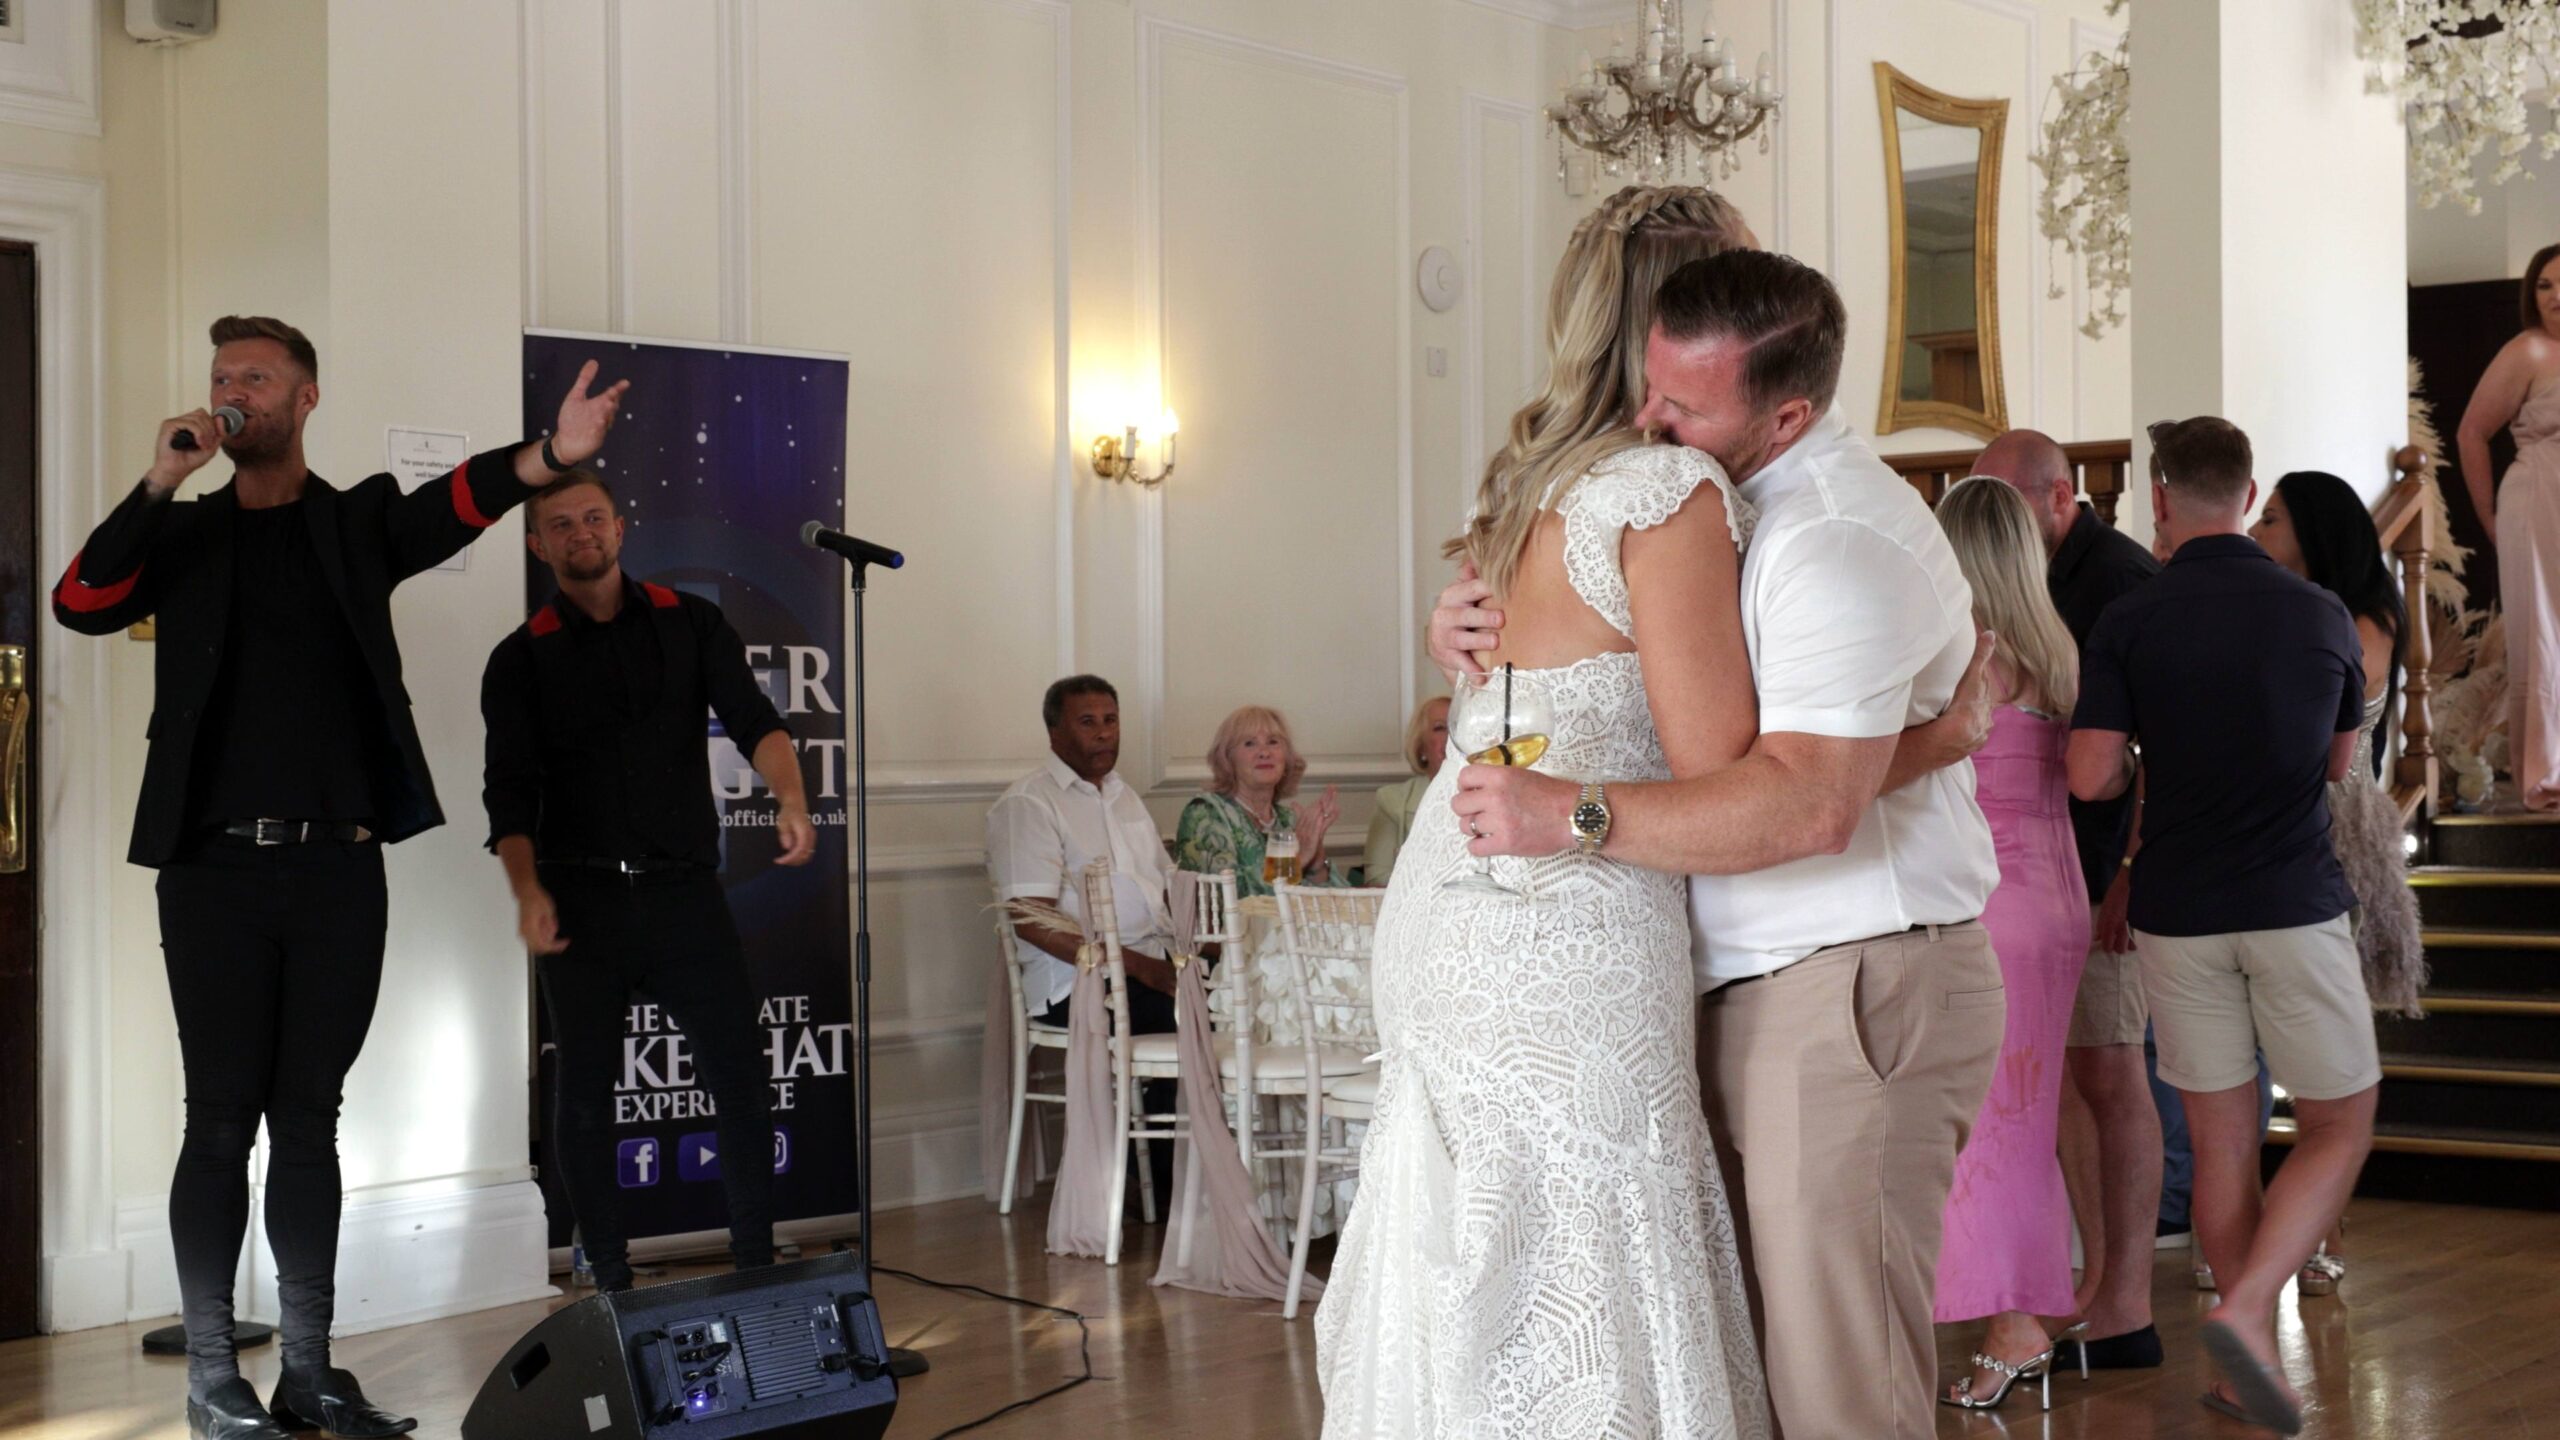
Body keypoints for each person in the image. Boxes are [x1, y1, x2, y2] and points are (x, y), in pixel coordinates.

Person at [1438, 249, 2005, 1440]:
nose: (1647, 420)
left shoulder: (1832, 543)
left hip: (1851, 984)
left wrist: (1572, 815)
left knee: (1839, 1395)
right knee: (1749, 1379)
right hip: (1748, 981)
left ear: (1785, 412)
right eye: (1650, 387)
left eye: (1682, 405)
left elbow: (1805, 805)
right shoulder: (1727, 507)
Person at [50, 315, 625, 1440]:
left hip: (336, 874)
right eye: (221, 378)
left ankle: (308, 1372)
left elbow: (462, 496)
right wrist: (161, 479)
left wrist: (551, 456)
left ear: (304, 399)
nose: (232, 394)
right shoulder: (185, 533)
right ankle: (214, 1378)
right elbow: (81, 601)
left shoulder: (355, 523)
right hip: (212, 874)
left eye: (255, 378)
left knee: (309, 1122)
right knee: (218, 1123)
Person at [1317, 182, 1772, 1437]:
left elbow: (1515, 687)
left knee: (1472, 1260)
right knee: (1586, 1243)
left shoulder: (1531, 480)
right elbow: (1727, 765)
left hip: (1446, 916)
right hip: (1567, 928)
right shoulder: (1664, 496)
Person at [2067, 416, 2378, 1435]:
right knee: (2338, 1118)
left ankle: (2243, 1363)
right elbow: (2336, 767)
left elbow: (2090, 773)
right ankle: (2245, 1313)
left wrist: (2148, 763)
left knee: (2221, 1141)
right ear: (2246, 497)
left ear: (2158, 500)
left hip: (2175, 912)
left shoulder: (2131, 619)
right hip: (2290, 901)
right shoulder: (2323, 614)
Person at [482, 471, 815, 1296]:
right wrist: (526, 891)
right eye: (560, 524)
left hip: (682, 895)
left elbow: (755, 720)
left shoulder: (691, 622)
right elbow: (508, 792)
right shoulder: (520, 658)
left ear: (620, 528)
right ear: (539, 545)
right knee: (585, 1096)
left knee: (739, 1078)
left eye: (593, 517)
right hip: (577, 901)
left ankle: (753, 1270)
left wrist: (792, 796)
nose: (580, 532)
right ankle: (612, 1283)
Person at [1970, 428, 2166, 1370]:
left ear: (2056, 499)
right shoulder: (2044, 631)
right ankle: (2074, 1291)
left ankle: (2115, 1299)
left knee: (2095, 1079)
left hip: (2076, 883)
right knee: (2051, 1096)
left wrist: (2132, 869)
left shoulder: (2120, 585)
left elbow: (2153, 751)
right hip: (2057, 887)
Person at [1925, 478, 2090, 1411]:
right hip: (2058, 899)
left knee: (1985, 1126)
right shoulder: (2054, 650)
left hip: (1992, 905)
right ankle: (2020, 1312)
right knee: (2025, 1121)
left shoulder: (1965, 658)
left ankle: (2014, 1322)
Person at [2252, 468, 2431, 1297]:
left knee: (2331, 1054)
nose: (2258, 529)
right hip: (2273, 826)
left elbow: (2324, 711)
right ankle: (2274, 1230)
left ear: (2315, 532)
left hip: (2336, 828)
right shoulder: (2287, 604)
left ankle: (2321, 1234)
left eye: (2275, 518)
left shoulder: (2365, 617)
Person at [984, 676, 1181, 1201]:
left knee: (1237, 1004)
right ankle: (1168, 1186)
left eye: (1110, 720)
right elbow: (1033, 921)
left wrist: (1198, 950)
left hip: (1150, 965)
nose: (1103, 734)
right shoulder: (1027, 804)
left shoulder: (1124, 797)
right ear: (1053, 731)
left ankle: (1208, 1178)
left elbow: (1164, 889)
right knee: (1179, 1018)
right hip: (1076, 985)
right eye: (1087, 722)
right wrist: (1137, 966)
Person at [2458, 241, 2560, 811]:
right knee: (2541, 637)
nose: (2556, 295)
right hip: (2538, 496)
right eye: (2544, 285)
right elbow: (2472, 431)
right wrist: (2490, 519)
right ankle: (2545, 776)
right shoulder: (2529, 351)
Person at [1174, 705, 1344, 897]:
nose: (1264, 752)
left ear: (1286, 757)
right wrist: (1295, 863)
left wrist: (1317, 862)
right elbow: (1230, 902)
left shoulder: (1289, 819)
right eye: (1249, 743)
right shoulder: (1205, 814)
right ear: (1227, 758)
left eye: (1273, 742)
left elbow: (1341, 905)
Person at [1361, 695, 1449, 886]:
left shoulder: (1494, 797)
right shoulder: (1393, 800)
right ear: (1421, 747)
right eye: (1440, 728)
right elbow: (1377, 878)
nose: (1453, 735)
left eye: (1459, 726)